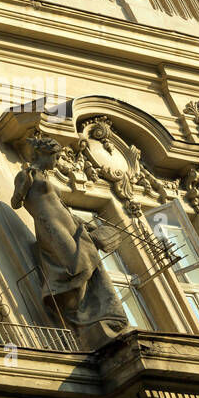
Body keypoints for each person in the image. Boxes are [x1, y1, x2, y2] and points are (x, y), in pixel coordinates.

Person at [11, 136, 126, 334]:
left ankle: (98, 315)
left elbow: (63, 208)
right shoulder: (26, 174)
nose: (56, 162)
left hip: (69, 225)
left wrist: (85, 226)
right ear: (44, 154)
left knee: (90, 260)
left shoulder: (46, 178)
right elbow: (15, 203)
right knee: (75, 266)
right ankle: (79, 317)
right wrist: (23, 187)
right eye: (55, 157)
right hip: (51, 228)